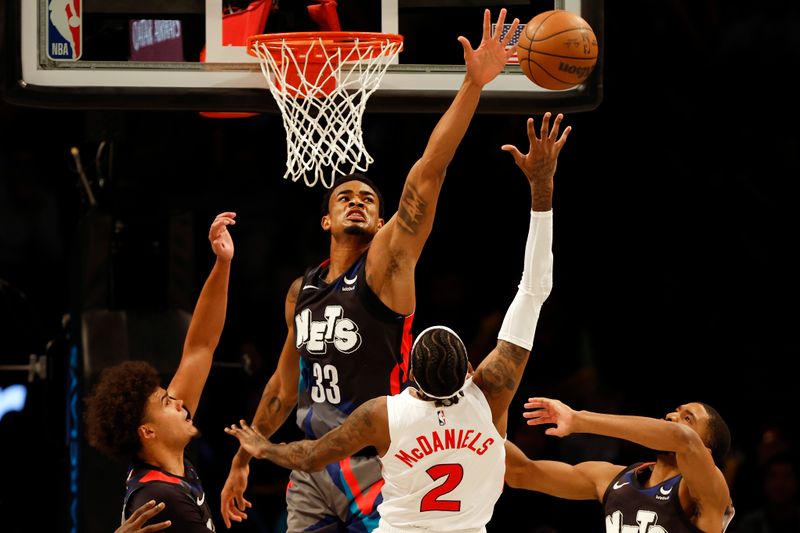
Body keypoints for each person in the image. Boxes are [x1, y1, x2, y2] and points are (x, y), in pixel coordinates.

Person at [220, 8, 523, 532]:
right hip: (310, 466)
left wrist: (472, 85)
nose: (356, 201)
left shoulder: (386, 264)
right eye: (344, 196)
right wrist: (244, 458)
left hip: (377, 459)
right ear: (325, 218)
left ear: (383, 220)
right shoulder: (303, 290)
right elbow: (283, 387)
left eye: (367, 198)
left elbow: (428, 173)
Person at [84, 212, 236, 532]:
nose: (179, 402)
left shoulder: (163, 469)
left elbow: (200, 347)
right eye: (167, 403)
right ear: (148, 432)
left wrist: (222, 264)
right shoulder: (161, 499)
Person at [505, 397, 735, 533]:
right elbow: (521, 472)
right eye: (676, 411)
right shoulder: (612, 478)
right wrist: (484, 408)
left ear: (706, 453)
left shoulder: (708, 493)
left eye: (687, 418)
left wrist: (579, 420)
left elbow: (683, 439)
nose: (671, 416)